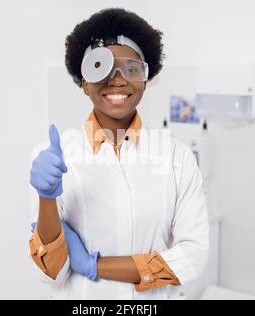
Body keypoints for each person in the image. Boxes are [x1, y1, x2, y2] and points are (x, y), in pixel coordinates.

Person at [28, 8, 209, 299]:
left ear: (145, 79)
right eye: (100, 67)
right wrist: (46, 198)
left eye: (131, 69)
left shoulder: (177, 157)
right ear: (83, 81)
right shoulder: (54, 156)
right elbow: (52, 272)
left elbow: (192, 258)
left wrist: (94, 266)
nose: (117, 80)